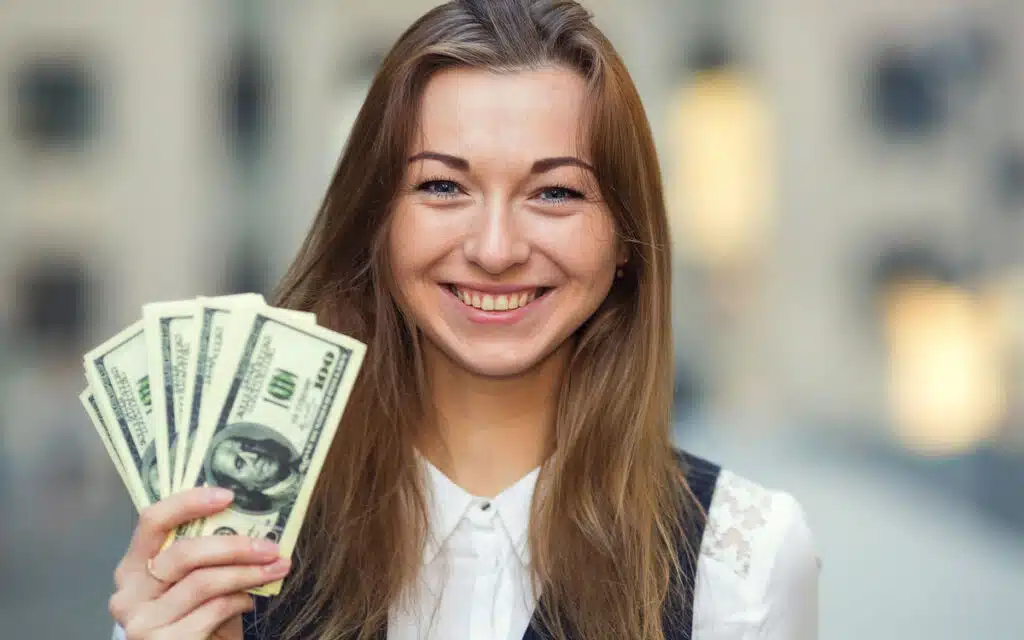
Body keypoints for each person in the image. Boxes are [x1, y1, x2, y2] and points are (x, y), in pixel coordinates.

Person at [108, 1, 819, 639]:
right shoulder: (213, 544)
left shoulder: (743, 556)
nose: (495, 249)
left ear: (626, 238)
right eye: (443, 186)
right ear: (377, 224)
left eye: (555, 192)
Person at [204, 426, 302, 514]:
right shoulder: (283, 511)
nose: (254, 456)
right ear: (240, 486)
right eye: (240, 463)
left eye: (247, 447)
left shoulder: (306, 459)